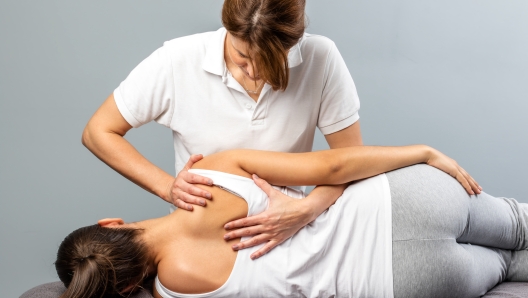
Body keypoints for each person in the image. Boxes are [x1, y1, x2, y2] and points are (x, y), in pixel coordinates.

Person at [82, 0, 372, 259]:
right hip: (200, 243)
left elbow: (351, 162)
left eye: (272, 61)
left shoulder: (320, 58)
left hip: (287, 238)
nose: (255, 72)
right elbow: (98, 132)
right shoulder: (178, 59)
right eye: (241, 57)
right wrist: (167, 187)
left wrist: (305, 210)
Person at [55, 145, 528, 298]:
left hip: (395, 280)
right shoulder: (210, 172)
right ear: (111, 223)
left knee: (508, 269)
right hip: (402, 202)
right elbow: (334, 168)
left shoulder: (177, 291)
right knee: (518, 226)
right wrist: (423, 153)